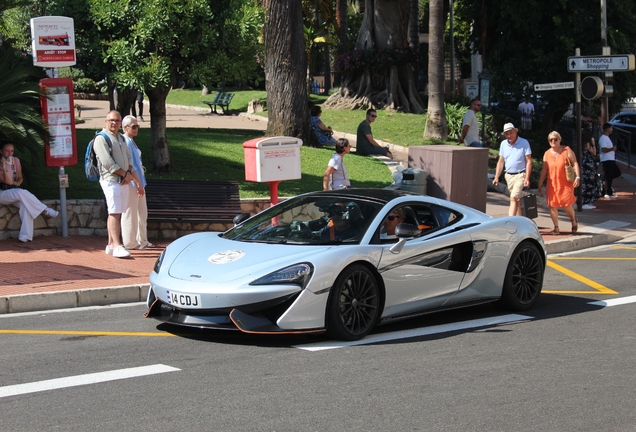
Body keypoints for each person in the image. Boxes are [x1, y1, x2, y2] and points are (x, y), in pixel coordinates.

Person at [94, 110, 133, 258]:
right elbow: (107, 162)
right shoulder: (101, 138)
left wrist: (127, 174)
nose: (114, 123)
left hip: (123, 180)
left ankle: (110, 245)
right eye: (111, 120)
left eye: (117, 120)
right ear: (106, 121)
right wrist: (124, 175)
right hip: (110, 180)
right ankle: (117, 245)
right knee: (114, 212)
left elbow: (129, 158)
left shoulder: (121, 138)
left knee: (117, 212)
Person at [0, 143, 58, 242]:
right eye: (7, 151)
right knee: (22, 192)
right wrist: (3, 166)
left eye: (12, 151)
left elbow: (20, 177)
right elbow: (8, 182)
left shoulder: (16, 161)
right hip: (2, 193)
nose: (10, 153)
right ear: (1, 151)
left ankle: (25, 236)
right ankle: (45, 209)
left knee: (25, 205)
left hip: (14, 191)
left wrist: (18, 182)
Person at [537, 131, 581, 235]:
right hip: (552, 184)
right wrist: (540, 183)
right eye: (551, 140)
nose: (553, 141)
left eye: (555, 139)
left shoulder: (567, 150)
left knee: (566, 205)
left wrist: (577, 177)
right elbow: (544, 170)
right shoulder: (547, 154)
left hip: (565, 183)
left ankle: (573, 220)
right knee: (552, 206)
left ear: (559, 139)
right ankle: (556, 228)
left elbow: (575, 163)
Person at [121, 115, 153, 250]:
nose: (136, 129)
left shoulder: (131, 141)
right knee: (130, 213)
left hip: (140, 182)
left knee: (141, 213)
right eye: (133, 127)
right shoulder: (126, 142)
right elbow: (131, 166)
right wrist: (138, 183)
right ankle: (130, 242)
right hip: (133, 183)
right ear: (125, 128)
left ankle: (142, 239)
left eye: (137, 126)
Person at [492, 123, 533, 216]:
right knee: (516, 200)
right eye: (506, 134)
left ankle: (510, 221)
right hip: (509, 176)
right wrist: (496, 176)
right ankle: (521, 220)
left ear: (516, 131)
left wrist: (527, 178)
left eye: (511, 133)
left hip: (520, 175)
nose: (509, 135)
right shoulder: (503, 144)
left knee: (513, 197)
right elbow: (501, 161)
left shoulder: (524, 143)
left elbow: (529, 161)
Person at [599, 123, 621, 199]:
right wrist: (612, 149)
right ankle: (608, 192)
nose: (612, 130)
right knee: (611, 174)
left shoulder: (607, 138)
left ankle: (604, 181)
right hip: (607, 159)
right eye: (611, 128)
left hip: (611, 159)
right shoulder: (603, 138)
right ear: (607, 129)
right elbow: (604, 149)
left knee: (616, 173)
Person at [580, 134, 601, 210]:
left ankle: (586, 202)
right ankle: (586, 202)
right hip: (589, 166)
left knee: (587, 184)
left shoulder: (582, 145)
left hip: (586, 166)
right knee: (589, 184)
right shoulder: (588, 144)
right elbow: (594, 152)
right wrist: (593, 144)